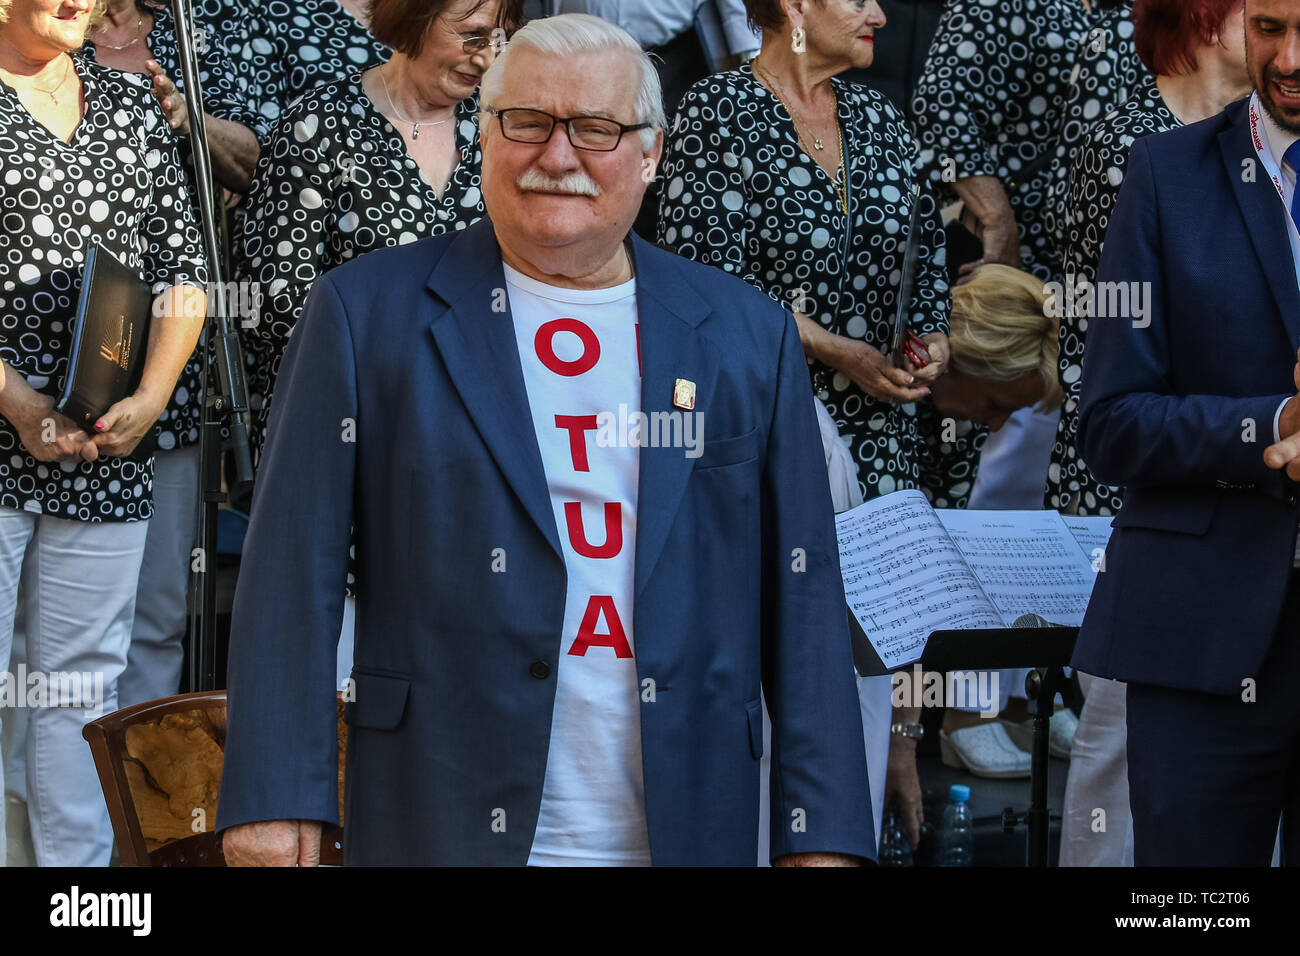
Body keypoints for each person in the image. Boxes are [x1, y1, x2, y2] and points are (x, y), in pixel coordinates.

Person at [217, 12, 873, 866]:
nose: (556, 157)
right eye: (524, 122)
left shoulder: (746, 336)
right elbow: (289, 572)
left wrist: (819, 834)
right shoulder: (363, 314)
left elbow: (806, 603)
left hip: (689, 822)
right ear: (485, 137)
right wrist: (273, 795)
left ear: (650, 153)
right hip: (439, 810)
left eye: (596, 129)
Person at [1076, 0, 1300, 866]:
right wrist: (1272, 423)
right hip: (1199, 636)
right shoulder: (1164, 174)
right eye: (1271, 26)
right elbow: (1110, 422)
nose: (1288, 57)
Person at [0, 0, 207, 866]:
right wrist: (18, 404)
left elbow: (183, 269)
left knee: (83, 695)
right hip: (3, 444)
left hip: (106, 456)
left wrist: (153, 396)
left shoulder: (124, 105)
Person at [658, 0, 953, 506]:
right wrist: (830, 348)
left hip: (885, 433)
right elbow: (708, 288)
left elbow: (925, 259)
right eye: (859, 2)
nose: (879, 17)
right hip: (774, 426)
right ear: (794, 6)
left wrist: (933, 336)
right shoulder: (718, 110)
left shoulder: (881, 116)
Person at [80, 0, 261, 716]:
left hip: (171, 364)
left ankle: (136, 817)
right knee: (37, 634)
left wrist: (193, 122)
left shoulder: (206, 27)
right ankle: (30, 824)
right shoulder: (40, 31)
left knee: (154, 617)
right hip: (42, 361)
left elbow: (261, 162)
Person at [911, 0, 1110, 282]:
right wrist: (997, 219)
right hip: (1018, 253)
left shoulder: (1110, 8)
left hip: (1088, 253)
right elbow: (938, 108)